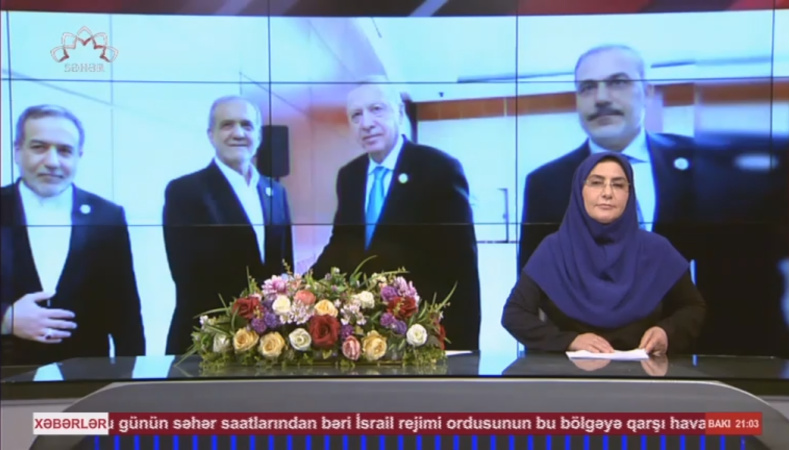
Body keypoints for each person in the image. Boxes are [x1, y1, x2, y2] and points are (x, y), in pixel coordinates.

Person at [518, 43, 789, 358]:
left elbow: (743, 286)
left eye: (618, 82)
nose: (601, 97)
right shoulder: (544, 183)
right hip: (582, 367)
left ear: (648, 92)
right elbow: (530, 303)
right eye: (587, 87)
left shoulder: (707, 165)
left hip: (692, 362)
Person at [311, 78, 481, 350]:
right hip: (364, 333)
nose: (366, 123)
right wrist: (302, 290)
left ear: (399, 113)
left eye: (376, 109)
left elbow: (462, 267)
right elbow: (341, 244)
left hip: (422, 332)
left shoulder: (440, 169)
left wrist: (462, 345)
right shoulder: (349, 176)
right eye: (356, 115)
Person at [503, 152, 706, 355]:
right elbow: (514, 314)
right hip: (569, 371)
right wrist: (569, 341)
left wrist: (666, 332)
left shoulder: (657, 250)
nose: (607, 193)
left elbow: (693, 307)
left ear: (629, 193)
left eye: (618, 185)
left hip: (643, 371)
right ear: (580, 190)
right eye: (596, 183)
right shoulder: (554, 250)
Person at [0, 105, 145, 365]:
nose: (52, 161)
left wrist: (131, 379)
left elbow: (125, 310)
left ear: (79, 156)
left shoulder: (107, 215)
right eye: (39, 147)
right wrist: (5, 318)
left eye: (65, 151)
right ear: (17, 151)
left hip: (87, 377)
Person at [162, 96, 294, 355]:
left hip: (269, 343)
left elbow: (284, 268)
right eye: (227, 125)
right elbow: (188, 278)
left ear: (259, 136)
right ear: (211, 135)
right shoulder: (184, 191)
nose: (238, 133)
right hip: (207, 342)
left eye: (247, 125)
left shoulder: (276, 192)